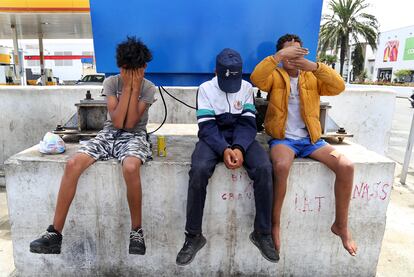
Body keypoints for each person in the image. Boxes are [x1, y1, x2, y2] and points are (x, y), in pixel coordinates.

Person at [30, 36, 156, 255]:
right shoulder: (111, 83)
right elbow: (116, 122)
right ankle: (54, 233)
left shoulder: (148, 88)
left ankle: (137, 231)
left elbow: (130, 123)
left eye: (136, 69)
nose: (131, 74)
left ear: (143, 67)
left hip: (135, 135)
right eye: (127, 69)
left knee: (131, 167)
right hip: (108, 134)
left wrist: (134, 89)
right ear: (121, 67)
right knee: (72, 164)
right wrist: (126, 88)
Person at [250, 34, 357, 256]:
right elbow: (256, 79)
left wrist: (315, 66)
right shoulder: (276, 75)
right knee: (280, 166)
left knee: (346, 166)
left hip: (312, 141)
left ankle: (341, 226)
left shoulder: (312, 76)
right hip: (284, 139)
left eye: (297, 51)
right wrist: (278, 57)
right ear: (281, 55)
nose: (293, 56)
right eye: (289, 52)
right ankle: (275, 224)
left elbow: (338, 86)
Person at [175, 48, 278, 266]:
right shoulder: (204, 89)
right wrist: (224, 149)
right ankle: (193, 235)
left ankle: (262, 232)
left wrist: (239, 147)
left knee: (264, 168)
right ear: (216, 72)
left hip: (242, 135)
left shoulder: (247, 87)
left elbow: (249, 123)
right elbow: (207, 126)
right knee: (199, 169)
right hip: (213, 136)